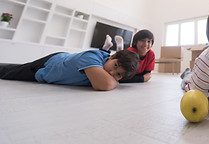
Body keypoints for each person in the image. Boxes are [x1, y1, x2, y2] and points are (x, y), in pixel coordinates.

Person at [0, 45, 139, 91]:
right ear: (111, 56)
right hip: (48, 64)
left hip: (61, 63)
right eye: (115, 66)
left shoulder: (104, 69)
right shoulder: (92, 56)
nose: (111, 72)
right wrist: (116, 81)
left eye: (119, 74)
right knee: (11, 72)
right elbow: (105, 83)